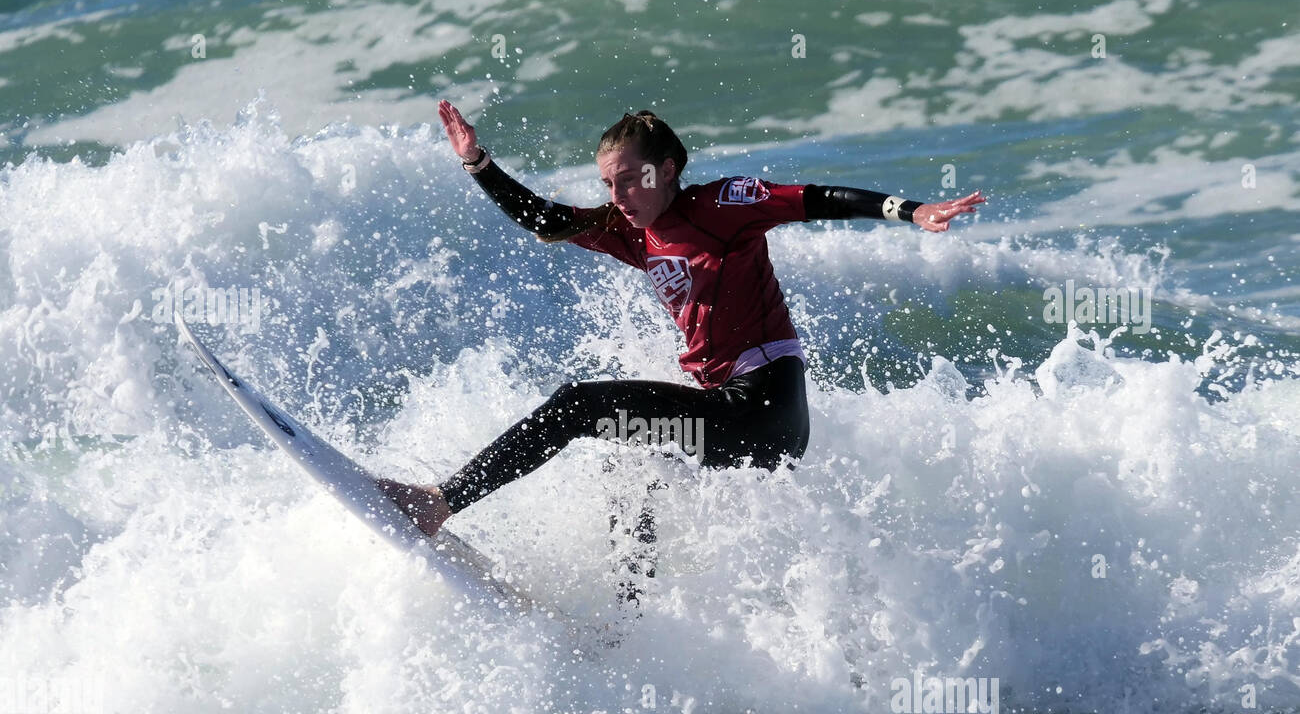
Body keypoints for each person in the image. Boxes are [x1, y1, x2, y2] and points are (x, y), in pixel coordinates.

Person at [377, 100, 985, 538]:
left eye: (628, 180)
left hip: (763, 408)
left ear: (666, 170)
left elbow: (816, 199)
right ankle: (627, 624)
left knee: (581, 407)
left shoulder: (721, 205)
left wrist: (910, 211)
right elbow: (547, 220)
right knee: (630, 458)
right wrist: (478, 163)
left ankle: (439, 502)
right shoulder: (631, 232)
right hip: (735, 415)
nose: (617, 195)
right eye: (606, 184)